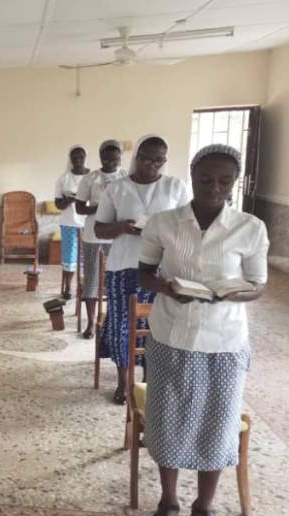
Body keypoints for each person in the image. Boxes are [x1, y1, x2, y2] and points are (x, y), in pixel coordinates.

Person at [138, 145, 267, 516]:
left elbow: (257, 285)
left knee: (218, 423)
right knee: (167, 419)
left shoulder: (250, 227)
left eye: (224, 180)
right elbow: (144, 272)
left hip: (224, 342)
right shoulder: (165, 222)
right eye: (206, 178)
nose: (215, 187)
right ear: (191, 176)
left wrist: (232, 295)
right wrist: (166, 288)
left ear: (234, 182)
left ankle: (205, 508)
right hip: (171, 335)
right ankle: (168, 503)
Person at [94, 135, 191, 404]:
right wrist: (122, 227)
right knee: (122, 326)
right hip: (123, 267)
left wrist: (162, 232)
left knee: (157, 326)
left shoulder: (175, 187)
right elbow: (99, 227)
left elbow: (189, 227)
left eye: (159, 159)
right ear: (136, 156)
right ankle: (124, 383)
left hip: (162, 269)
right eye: (146, 157)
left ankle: (148, 383)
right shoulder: (117, 188)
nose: (152, 164)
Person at [75, 140, 126, 339]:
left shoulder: (126, 177)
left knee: (115, 279)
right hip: (93, 235)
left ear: (120, 158)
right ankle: (91, 323)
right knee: (92, 278)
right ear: (100, 157)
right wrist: (102, 208)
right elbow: (79, 208)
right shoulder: (90, 178)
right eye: (107, 158)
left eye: (116, 158)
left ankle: (112, 321)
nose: (111, 162)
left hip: (118, 236)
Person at [54, 146, 89, 299]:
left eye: (81, 157)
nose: (78, 161)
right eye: (75, 158)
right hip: (69, 222)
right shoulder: (64, 178)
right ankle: (68, 287)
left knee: (88, 257)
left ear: (85, 158)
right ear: (70, 159)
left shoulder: (92, 177)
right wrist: (70, 199)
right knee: (69, 256)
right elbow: (58, 204)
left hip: (89, 222)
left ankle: (85, 286)